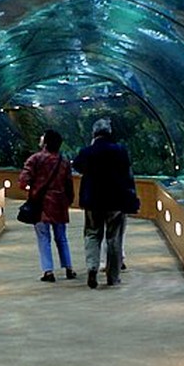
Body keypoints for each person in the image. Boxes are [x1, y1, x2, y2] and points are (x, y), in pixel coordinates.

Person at [72, 118, 139, 288]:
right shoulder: (120, 150)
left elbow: (77, 166)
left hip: (92, 201)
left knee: (92, 234)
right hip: (115, 201)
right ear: (110, 132)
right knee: (113, 238)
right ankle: (113, 276)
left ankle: (92, 269)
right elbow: (128, 174)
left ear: (94, 133)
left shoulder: (87, 151)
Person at [19, 129, 77, 282]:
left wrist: (32, 187)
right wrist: (68, 201)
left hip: (41, 205)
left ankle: (48, 271)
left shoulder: (35, 159)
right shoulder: (63, 162)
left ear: (45, 142)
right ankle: (68, 268)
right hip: (59, 204)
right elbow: (69, 185)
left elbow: (23, 181)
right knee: (62, 237)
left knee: (44, 238)